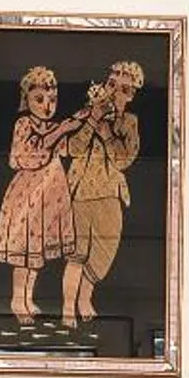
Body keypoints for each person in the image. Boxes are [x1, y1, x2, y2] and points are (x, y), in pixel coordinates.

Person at [0, 67, 86, 322]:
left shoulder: (54, 125)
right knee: (24, 250)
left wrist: (78, 124)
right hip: (29, 193)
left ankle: (28, 298)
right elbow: (19, 158)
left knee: (37, 252)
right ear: (27, 99)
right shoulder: (23, 124)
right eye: (40, 100)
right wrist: (58, 132)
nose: (47, 106)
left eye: (52, 100)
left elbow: (67, 150)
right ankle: (17, 300)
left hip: (52, 193)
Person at [60, 61, 144, 330]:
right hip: (81, 191)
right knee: (76, 253)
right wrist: (93, 119)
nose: (115, 92)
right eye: (111, 85)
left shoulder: (129, 122)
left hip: (110, 193)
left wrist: (107, 132)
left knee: (104, 252)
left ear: (130, 94)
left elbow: (124, 160)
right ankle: (67, 310)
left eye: (123, 89)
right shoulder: (85, 114)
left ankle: (85, 298)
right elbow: (70, 149)